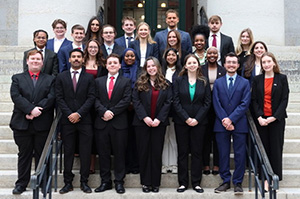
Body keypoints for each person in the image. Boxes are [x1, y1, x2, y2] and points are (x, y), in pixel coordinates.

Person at [10, 50, 55, 195]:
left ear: (42, 63)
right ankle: (22, 183)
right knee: (24, 154)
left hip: (42, 123)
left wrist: (37, 110)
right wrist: (30, 110)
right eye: (32, 59)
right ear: (27, 61)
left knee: (42, 155)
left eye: (38, 59)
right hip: (22, 124)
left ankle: (42, 183)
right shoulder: (17, 78)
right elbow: (16, 96)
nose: (35, 61)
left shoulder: (50, 79)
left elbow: (51, 96)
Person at [56, 49, 95, 194]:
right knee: (68, 152)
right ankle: (68, 183)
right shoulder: (61, 77)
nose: (76, 59)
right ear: (69, 60)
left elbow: (91, 97)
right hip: (67, 121)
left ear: (83, 59)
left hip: (85, 120)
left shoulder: (89, 78)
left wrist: (79, 113)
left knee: (85, 152)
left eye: (79, 56)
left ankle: (84, 182)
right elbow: (59, 98)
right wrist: (70, 114)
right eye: (74, 57)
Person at [132, 57, 172, 193]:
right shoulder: (140, 83)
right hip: (142, 123)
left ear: (158, 67)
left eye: (153, 66)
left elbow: (168, 103)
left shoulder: (166, 84)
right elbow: (136, 102)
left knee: (156, 153)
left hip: (158, 124)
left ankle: (155, 183)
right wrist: (145, 117)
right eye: (148, 66)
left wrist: (159, 119)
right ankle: (145, 183)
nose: (151, 68)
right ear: (145, 68)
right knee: (144, 153)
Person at [213, 52, 251, 195]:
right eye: (228, 62)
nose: (231, 65)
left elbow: (244, 103)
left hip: (239, 123)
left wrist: (232, 119)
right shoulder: (218, 82)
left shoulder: (245, 83)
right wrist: (225, 119)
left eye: (234, 62)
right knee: (223, 153)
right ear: (224, 64)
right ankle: (225, 181)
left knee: (240, 154)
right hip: (221, 123)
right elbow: (216, 103)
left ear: (238, 65)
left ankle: (238, 182)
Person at [173, 54, 211, 193]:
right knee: (182, 152)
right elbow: (175, 101)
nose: (192, 65)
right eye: (189, 63)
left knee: (197, 152)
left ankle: (196, 182)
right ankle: (182, 183)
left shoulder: (204, 81)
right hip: (181, 122)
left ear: (198, 65)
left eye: (194, 62)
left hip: (199, 123)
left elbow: (207, 102)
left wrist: (197, 119)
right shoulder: (178, 80)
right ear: (185, 65)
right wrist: (186, 118)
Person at [94, 54, 131, 194]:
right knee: (103, 154)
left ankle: (119, 182)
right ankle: (105, 182)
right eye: (110, 63)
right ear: (106, 65)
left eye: (115, 62)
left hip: (119, 123)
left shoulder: (126, 81)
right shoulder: (98, 81)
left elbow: (126, 100)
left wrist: (112, 112)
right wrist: (104, 111)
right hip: (102, 122)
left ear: (120, 65)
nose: (113, 65)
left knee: (119, 153)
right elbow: (95, 99)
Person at [251, 52, 289, 186]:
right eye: (264, 62)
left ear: (274, 63)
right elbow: (254, 100)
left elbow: (284, 100)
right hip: (261, 120)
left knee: (276, 149)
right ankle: (265, 178)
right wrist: (260, 117)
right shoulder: (257, 79)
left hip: (276, 120)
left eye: (268, 61)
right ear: (261, 65)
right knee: (264, 149)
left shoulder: (282, 78)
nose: (266, 64)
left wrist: (273, 117)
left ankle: (275, 179)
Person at [82, 39, 107, 174]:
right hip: (84, 102)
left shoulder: (103, 63)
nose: (92, 49)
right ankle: (85, 163)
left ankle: (92, 163)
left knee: (96, 134)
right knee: (86, 134)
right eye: (90, 47)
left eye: (95, 47)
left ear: (99, 49)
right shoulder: (81, 63)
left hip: (98, 103)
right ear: (87, 48)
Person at [201, 47, 226, 176]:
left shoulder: (223, 70)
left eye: (214, 53)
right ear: (206, 55)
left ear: (218, 55)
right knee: (205, 137)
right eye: (209, 53)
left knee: (217, 137)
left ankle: (216, 164)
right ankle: (205, 164)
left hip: (219, 107)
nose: (212, 55)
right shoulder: (201, 69)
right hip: (204, 108)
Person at [161, 48, 182, 174]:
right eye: (168, 55)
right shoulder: (161, 70)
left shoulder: (181, 71)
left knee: (173, 138)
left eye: (173, 55)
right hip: (162, 109)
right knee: (163, 137)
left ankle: (173, 164)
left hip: (176, 109)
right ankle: (164, 164)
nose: (171, 57)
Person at [120, 48, 140, 174]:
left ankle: (135, 165)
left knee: (136, 139)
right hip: (122, 110)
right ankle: (126, 165)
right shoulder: (119, 70)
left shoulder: (140, 71)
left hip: (137, 110)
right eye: (127, 56)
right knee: (124, 139)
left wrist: (133, 102)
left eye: (132, 56)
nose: (129, 58)